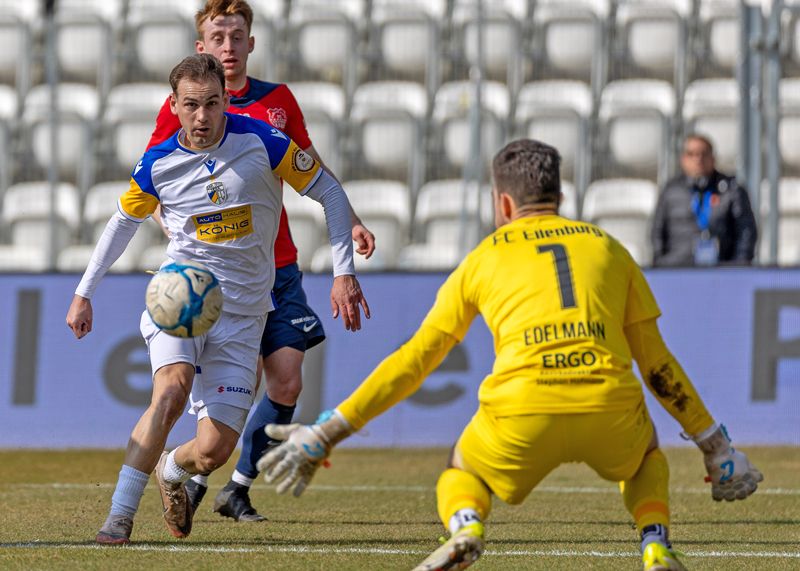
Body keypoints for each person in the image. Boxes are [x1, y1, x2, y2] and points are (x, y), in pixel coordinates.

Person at [257, 139, 764, 571]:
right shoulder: (609, 249)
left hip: (520, 416)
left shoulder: (484, 258)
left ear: (503, 204)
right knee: (648, 454)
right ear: (561, 196)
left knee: (462, 469)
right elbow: (657, 365)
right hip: (608, 408)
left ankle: (466, 527)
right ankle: (655, 542)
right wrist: (716, 448)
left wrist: (328, 431)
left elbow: (416, 361)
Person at [65, 53, 368, 544]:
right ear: (174, 105)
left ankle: (172, 470)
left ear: (226, 99)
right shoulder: (158, 163)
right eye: (191, 105)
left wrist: (343, 273)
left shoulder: (264, 142)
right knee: (170, 391)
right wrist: (84, 293)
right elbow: (122, 224)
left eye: (211, 103)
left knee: (213, 450)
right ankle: (118, 518)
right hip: (181, 295)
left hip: (246, 313)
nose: (202, 116)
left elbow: (330, 193)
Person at [146, 0, 376, 523]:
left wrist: (352, 220)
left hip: (279, 263)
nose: (228, 46)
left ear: (251, 42)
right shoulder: (181, 106)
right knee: (236, 383)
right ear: (201, 46)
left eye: (236, 35)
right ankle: (196, 470)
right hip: (216, 274)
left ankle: (237, 488)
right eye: (217, 37)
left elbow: (313, 170)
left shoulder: (278, 101)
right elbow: (158, 180)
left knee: (287, 380)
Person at [652, 133, 758, 267]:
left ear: (713, 158)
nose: (698, 159)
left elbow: (746, 232)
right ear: (683, 159)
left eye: (704, 154)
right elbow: (657, 233)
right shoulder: (671, 191)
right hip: (678, 271)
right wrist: (662, 266)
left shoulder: (731, 189)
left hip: (722, 271)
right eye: (692, 154)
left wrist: (738, 266)